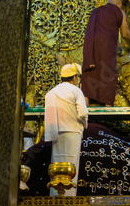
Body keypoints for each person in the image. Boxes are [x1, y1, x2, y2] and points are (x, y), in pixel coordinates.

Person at [81, 0, 130, 106]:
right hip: (106, 45)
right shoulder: (119, 11)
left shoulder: (96, 12)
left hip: (90, 44)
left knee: (91, 67)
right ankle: (107, 104)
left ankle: (86, 102)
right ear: (118, 4)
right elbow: (125, 33)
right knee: (107, 68)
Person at [44, 63, 88, 196]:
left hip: (56, 133)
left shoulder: (51, 92)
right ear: (74, 78)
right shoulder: (75, 91)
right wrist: (84, 124)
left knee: (56, 166)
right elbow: (83, 114)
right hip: (73, 133)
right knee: (71, 166)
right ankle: (69, 199)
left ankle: (55, 199)